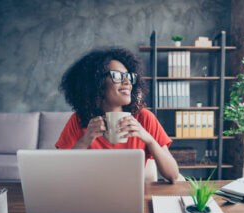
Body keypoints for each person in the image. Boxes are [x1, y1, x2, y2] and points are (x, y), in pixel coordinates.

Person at [55, 47, 179, 183]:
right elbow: (60, 172)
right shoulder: (78, 120)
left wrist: (149, 139)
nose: (127, 82)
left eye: (128, 76)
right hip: (90, 195)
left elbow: (173, 175)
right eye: (118, 76)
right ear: (97, 83)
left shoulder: (144, 118)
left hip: (132, 195)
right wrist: (84, 141)